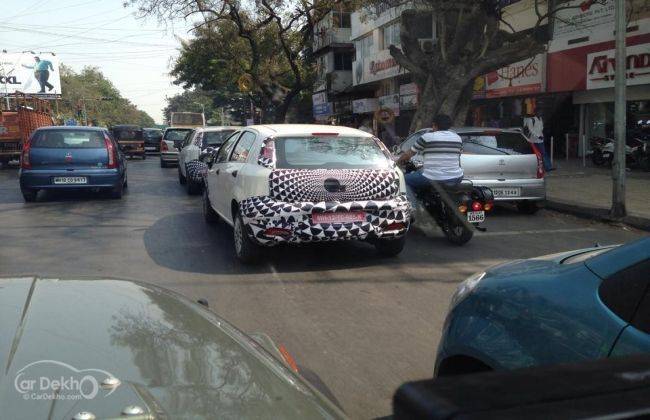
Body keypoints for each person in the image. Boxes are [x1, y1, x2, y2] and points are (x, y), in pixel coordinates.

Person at [397, 114, 464, 201]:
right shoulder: (458, 138)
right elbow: (458, 156)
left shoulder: (427, 137)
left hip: (433, 177)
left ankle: (414, 208)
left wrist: (397, 163)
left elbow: (409, 154)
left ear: (434, 125)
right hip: (456, 177)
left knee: (401, 181)